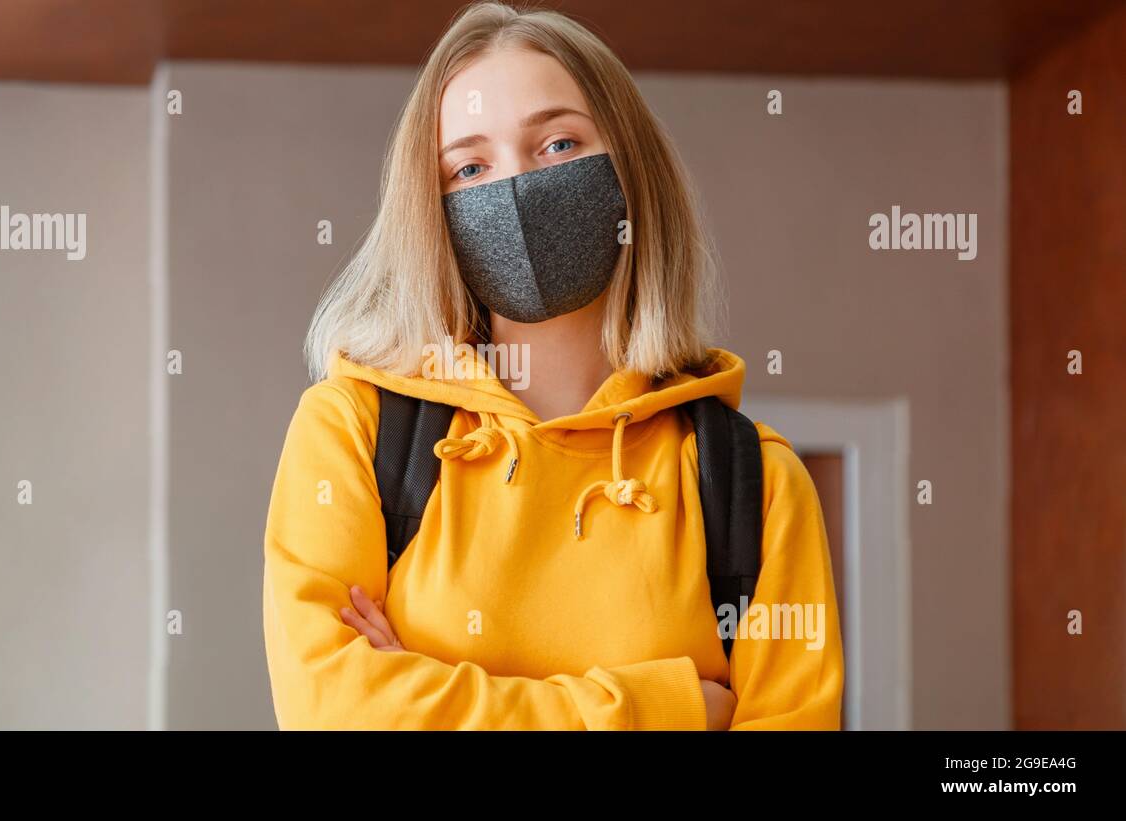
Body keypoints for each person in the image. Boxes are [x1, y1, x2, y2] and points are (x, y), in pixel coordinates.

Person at [262, 0, 843, 729]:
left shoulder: (754, 487)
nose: (514, 189)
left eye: (559, 145)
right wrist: (666, 709)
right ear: (430, 209)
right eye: (469, 165)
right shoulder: (352, 431)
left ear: (632, 175)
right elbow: (332, 715)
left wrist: (422, 692)